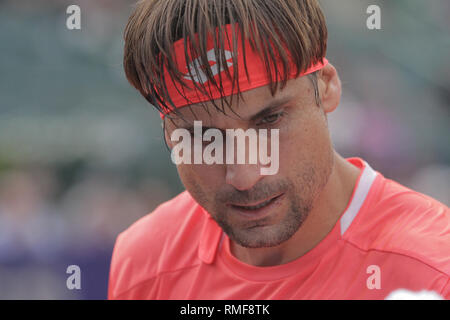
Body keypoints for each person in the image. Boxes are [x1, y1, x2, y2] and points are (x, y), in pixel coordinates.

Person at [108, 0, 450, 299]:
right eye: (202, 137)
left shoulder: (433, 272)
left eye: (269, 120)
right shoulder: (144, 263)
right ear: (169, 135)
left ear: (327, 86)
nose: (245, 176)